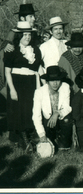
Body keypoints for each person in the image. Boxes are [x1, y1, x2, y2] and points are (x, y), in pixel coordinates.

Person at [4, 21, 43, 151]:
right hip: (17, 83)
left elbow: (39, 69)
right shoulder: (12, 50)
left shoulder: (36, 50)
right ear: (19, 35)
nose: (27, 37)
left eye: (29, 35)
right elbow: (7, 72)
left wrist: (42, 86)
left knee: (30, 110)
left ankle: (30, 136)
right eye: (24, 34)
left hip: (32, 83)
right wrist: (12, 90)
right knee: (18, 111)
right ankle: (23, 140)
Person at [0, 4, 38, 98]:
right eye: (30, 16)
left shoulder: (34, 33)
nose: (34, 18)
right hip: (16, 81)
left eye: (34, 16)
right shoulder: (14, 34)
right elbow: (3, 58)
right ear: (22, 18)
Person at [32, 66, 73, 150]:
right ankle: (49, 138)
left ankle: (63, 141)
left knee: (67, 119)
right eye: (52, 80)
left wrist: (57, 113)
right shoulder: (39, 92)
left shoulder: (65, 87)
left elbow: (67, 107)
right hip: (47, 122)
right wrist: (42, 134)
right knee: (41, 140)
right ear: (47, 81)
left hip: (60, 120)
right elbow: (36, 116)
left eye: (58, 80)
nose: (55, 83)